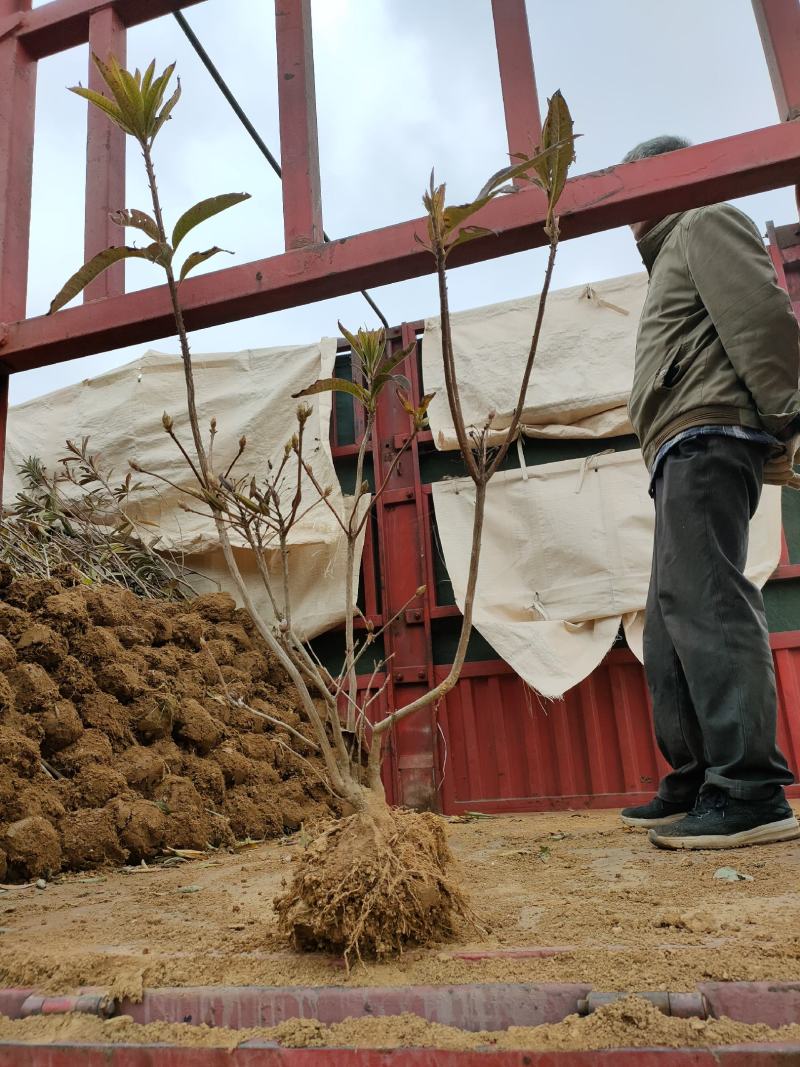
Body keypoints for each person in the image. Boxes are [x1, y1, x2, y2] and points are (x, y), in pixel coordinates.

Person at [618, 135, 800, 850]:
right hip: (677, 451)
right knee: (669, 622)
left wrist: (790, 415)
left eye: (635, 190)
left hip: (708, 436)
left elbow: (761, 317)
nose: (625, 211)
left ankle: (749, 786)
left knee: (710, 602)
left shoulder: (704, 219)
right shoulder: (673, 249)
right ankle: (697, 776)